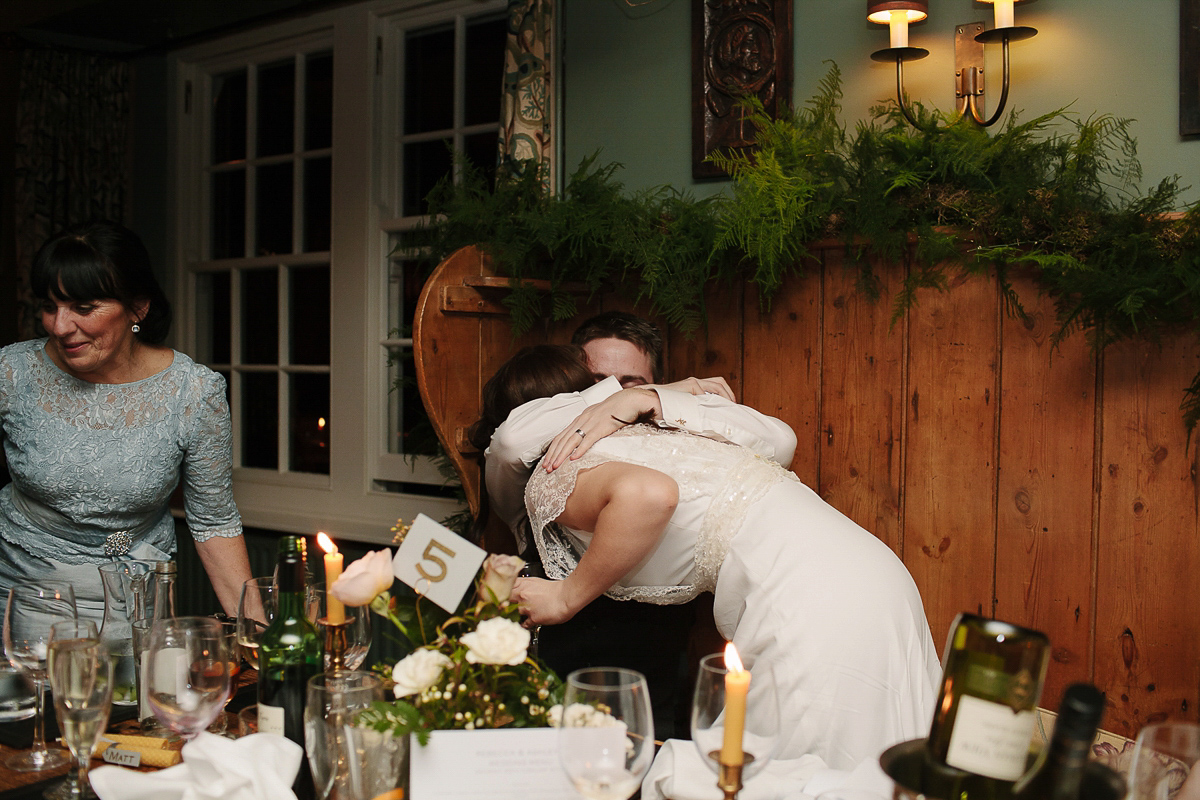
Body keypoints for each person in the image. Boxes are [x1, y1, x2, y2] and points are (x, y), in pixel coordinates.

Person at [481, 345, 941, 774]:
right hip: (873, 570)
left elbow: (649, 494)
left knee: (792, 774)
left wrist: (565, 596)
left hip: (809, 601)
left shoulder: (560, 471)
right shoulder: (667, 436)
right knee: (867, 768)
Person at [484, 312, 788, 737]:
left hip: (650, 672)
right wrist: (625, 396)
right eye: (596, 382)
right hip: (553, 672)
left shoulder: (675, 433)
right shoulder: (536, 460)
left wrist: (657, 400)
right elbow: (510, 443)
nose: (612, 396)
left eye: (631, 383)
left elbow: (779, 443)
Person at [0, 220, 255, 624]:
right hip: (24, 592)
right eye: (50, 306)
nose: (60, 326)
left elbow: (214, 521)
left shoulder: (195, 392)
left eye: (83, 308)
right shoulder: (11, 373)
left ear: (138, 306)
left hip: (136, 590)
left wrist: (256, 631)